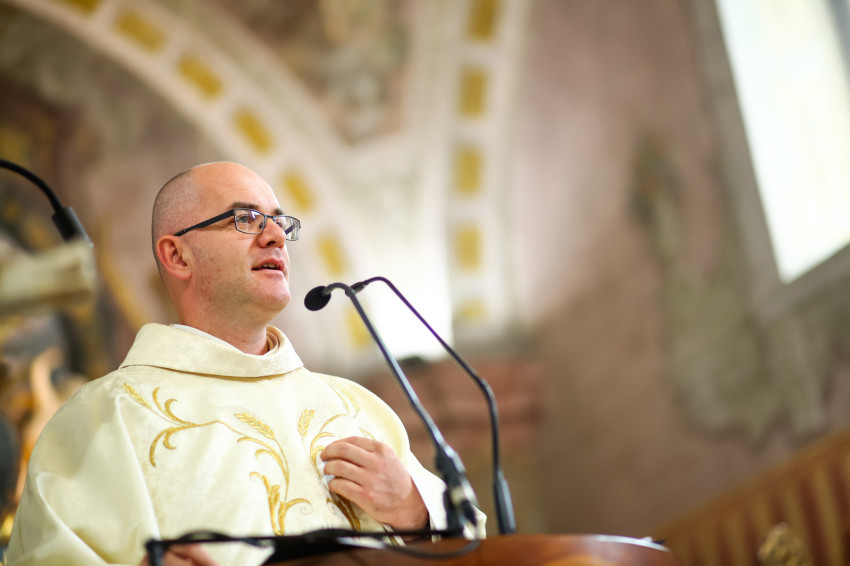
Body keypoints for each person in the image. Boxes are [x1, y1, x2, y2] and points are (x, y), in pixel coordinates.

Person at [5, 162, 484, 566]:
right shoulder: (104, 418)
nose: (275, 236)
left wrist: (415, 511)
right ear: (178, 255)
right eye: (246, 219)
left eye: (279, 222)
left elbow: (478, 546)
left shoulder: (354, 406)